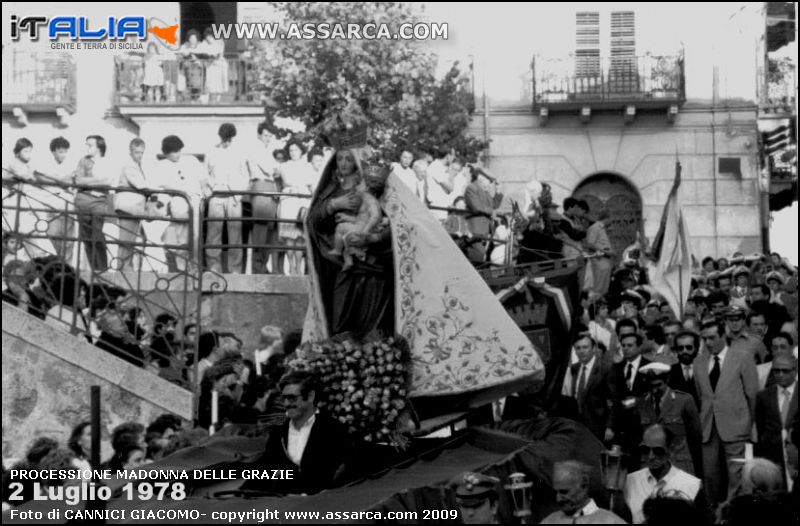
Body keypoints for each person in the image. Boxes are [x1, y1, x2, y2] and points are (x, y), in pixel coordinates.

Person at [305, 147, 394, 338]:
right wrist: (333, 205)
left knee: (369, 327)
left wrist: (373, 238)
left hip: (371, 266)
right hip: (341, 266)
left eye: (348, 159)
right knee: (339, 320)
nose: (343, 163)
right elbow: (312, 221)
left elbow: (395, 223)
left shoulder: (373, 190)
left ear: (358, 164)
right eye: (340, 159)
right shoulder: (331, 190)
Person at [245, 371, 354, 494]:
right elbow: (264, 470)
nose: (286, 404)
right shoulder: (278, 433)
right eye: (284, 398)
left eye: (292, 398)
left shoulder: (334, 430)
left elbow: (346, 474)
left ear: (311, 396)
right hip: (286, 508)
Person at [694, 317, 759, 505]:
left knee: (737, 476)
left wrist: (750, 424)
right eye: (704, 338)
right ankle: (714, 513)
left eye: (712, 337)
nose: (708, 342)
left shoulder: (742, 358)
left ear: (724, 335)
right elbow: (702, 396)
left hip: (737, 426)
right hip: (708, 427)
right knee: (710, 476)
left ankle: (734, 513)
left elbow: (752, 395)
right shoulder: (699, 362)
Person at [624, 424, 704, 524]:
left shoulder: (692, 485)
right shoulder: (629, 482)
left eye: (658, 451)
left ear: (671, 449)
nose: (651, 456)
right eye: (645, 450)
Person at [637, 363, 703, 476]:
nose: (654, 390)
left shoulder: (684, 401)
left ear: (667, 380)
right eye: (651, 386)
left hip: (678, 464)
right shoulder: (642, 403)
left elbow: (696, 436)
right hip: (650, 465)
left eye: (658, 385)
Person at [157, 135, 204, 272]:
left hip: (195, 201)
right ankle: (181, 268)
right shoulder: (162, 165)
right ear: (166, 153)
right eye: (173, 152)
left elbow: (203, 179)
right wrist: (182, 190)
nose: (177, 154)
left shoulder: (191, 161)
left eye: (178, 151)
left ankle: (194, 266)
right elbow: (163, 185)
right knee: (179, 237)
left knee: (195, 235)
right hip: (177, 202)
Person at [206, 123, 248, 273]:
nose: (226, 142)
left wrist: (238, 195)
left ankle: (235, 270)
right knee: (213, 234)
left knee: (235, 234)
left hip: (233, 197)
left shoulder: (239, 153)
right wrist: (212, 187)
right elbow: (206, 174)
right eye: (224, 138)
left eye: (228, 139)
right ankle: (213, 267)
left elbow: (245, 177)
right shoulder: (211, 152)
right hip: (216, 196)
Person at [328, 165, 386, 271]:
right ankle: (346, 258)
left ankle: (339, 251)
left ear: (367, 187)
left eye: (358, 185)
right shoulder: (365, 199)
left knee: (341, 229)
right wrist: (347, 217)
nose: (355, 188)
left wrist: (366, 231)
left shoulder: (370, 200)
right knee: (342, 228)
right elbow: (361, 219)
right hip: (360, 225)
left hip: (364, 230)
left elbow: (375, 216)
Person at [563, 334, 615, 442]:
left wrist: (610, 427)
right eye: (578, 348)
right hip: (577, 425)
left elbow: (615, 400)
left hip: (598, 426)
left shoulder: (605, 369)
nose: (582, 351)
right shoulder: (574, 369)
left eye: (585, 347)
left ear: (593, 348)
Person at [247, 121, 283, 274]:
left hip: (270, 187)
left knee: (269, 227)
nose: (268, 138)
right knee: (261, 227)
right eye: (265, 135)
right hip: (261, 185)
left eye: (270, 136)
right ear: (259, 135)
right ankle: (258, 265)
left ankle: (262, 264)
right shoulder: (256, 148)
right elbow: (271, 170)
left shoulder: (267, 150)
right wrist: (275, 169)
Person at [754, 354, 797, 483]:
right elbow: (760, 424)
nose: (780, 374)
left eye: (785, 371)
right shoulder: (763, 396)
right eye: (776, 370)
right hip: (771, 453)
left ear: (795, 370)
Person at [540, 460, 626, 524]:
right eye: (556, 492)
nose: (558, 499)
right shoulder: (550, 521)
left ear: (584, 485)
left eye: (564, 492)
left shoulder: (611, 521)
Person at [74, 135, 112, 271]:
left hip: (99, 201)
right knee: (86, 236)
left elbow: (109, 182)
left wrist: (89, 181)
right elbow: (78, 181)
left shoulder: (107, 161)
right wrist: (98, 180)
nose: (87, 148)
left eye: (90, 145)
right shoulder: (83, 161)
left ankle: (102, 269)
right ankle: (94, 269)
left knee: (97, 234)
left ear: (99, 147)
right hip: (83, 200)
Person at [278, 139, 316, 275]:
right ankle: (291, 267)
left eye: (296, 150)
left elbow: (311, 184)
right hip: (289, 199)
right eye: (291, 150)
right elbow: (287, 180)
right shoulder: (284, 166)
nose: (293, 153)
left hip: (302, 199)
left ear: (301, 151)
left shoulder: (308, 166)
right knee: (289, 235)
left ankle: (299, 266)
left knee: (300, 235)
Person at [115, 138, 151, 271]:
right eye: (137, 152)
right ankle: (122, 268)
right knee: (126, 239)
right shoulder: (128, 165)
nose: (139, 155)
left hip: (134, 207)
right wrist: (155, 191)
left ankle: (126, 266)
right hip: (128, 206)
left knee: (130, 239)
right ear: (130, 151)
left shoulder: (137, 165)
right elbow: (141, 185)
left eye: (142, 152)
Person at [583, 210, 613, 298]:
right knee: (597, 288)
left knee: (603, 288)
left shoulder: (601, 228)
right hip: (599, 260)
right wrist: (605, 251)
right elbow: (590, 244)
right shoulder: (595, 228)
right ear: (607, 218)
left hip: (605, 261)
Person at [669, 330, 701, 408]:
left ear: (696, 348)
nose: (684, 351)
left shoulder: (705, 369)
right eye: (680, 348)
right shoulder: (670, 372)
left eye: (689, 347)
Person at [199, 27, 228, 103]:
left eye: (210, 36)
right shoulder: (204, 43)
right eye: (207, 37)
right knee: (209, 82)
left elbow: (219, 52)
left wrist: (214, 56)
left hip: (218, 65)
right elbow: (201, 51)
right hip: (209, 65)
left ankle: (218, 99)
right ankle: (207, 98)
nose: (209, 38)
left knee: (218, 83)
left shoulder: (219, 41)